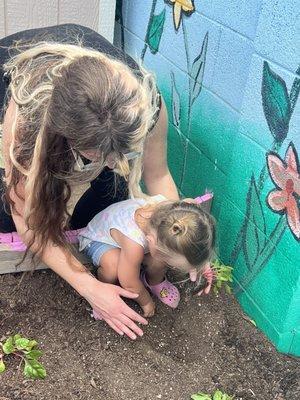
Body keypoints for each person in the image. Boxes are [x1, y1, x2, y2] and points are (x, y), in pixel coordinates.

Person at [0, 24, 179, 340]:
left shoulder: (144, 102)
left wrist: (180, 238)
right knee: (9, 219)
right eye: (96, 155)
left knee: (111, 194)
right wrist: (89, 287)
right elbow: (25, 217)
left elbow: (158, 175)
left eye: (120, 153)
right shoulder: (26, 114)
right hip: (20, 86)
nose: (111, 163)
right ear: (64, 136)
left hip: (91, 103)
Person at [78, 196, 216, 318]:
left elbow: (191, 205)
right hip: (98, 239)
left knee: (159, 259)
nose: (174, 267)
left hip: (128, 241)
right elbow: (128, 282)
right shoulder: (134, 246)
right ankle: (104, 290)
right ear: (150, 241)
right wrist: (146, 301)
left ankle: (154, 282)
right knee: (113, 267)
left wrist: (197, 261)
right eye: (173, 264)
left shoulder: (178, 213)